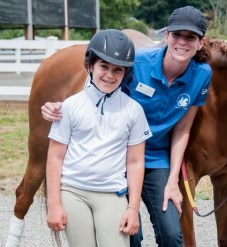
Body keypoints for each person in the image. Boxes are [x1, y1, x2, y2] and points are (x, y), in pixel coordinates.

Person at [42, 6, 212, 247]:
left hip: (154, 159)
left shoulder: (202, 74)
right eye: (177, 35)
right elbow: (99, 91)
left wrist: (173, 180)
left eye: (191, 37)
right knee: (131, 234)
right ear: (166, 37)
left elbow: (183, 129)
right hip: (117, 155)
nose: (182, 42)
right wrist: (63, 107)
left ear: (200, 43)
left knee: (172, 234)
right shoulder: (138, 63)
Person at [45, 29, 152, 247]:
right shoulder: (70, 107)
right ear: (90, 66)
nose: (110, 75)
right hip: (73, 191)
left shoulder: (133, 110)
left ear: (125, 73)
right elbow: (55, 158)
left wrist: (132, 208)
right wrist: (54, 204)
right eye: (104, 66)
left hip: (111, 193)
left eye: (118, 69)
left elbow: (135, 161)